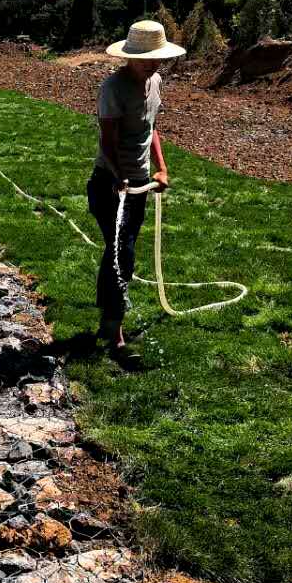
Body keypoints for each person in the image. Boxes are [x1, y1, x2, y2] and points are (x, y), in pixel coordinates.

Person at [87, 19, 185, 348]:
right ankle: (114, 327)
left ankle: (107, 320)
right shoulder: (113, 88)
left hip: (139, 184)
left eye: (156, 58)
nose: (152, 64)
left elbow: (151, 128)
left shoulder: (155, 82)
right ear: (129, 57)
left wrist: (162, 169)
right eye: (145, 58)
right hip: (109, 184)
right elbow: (108, 138)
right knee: (122, 253)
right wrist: (119, 175)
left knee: (119, 251)